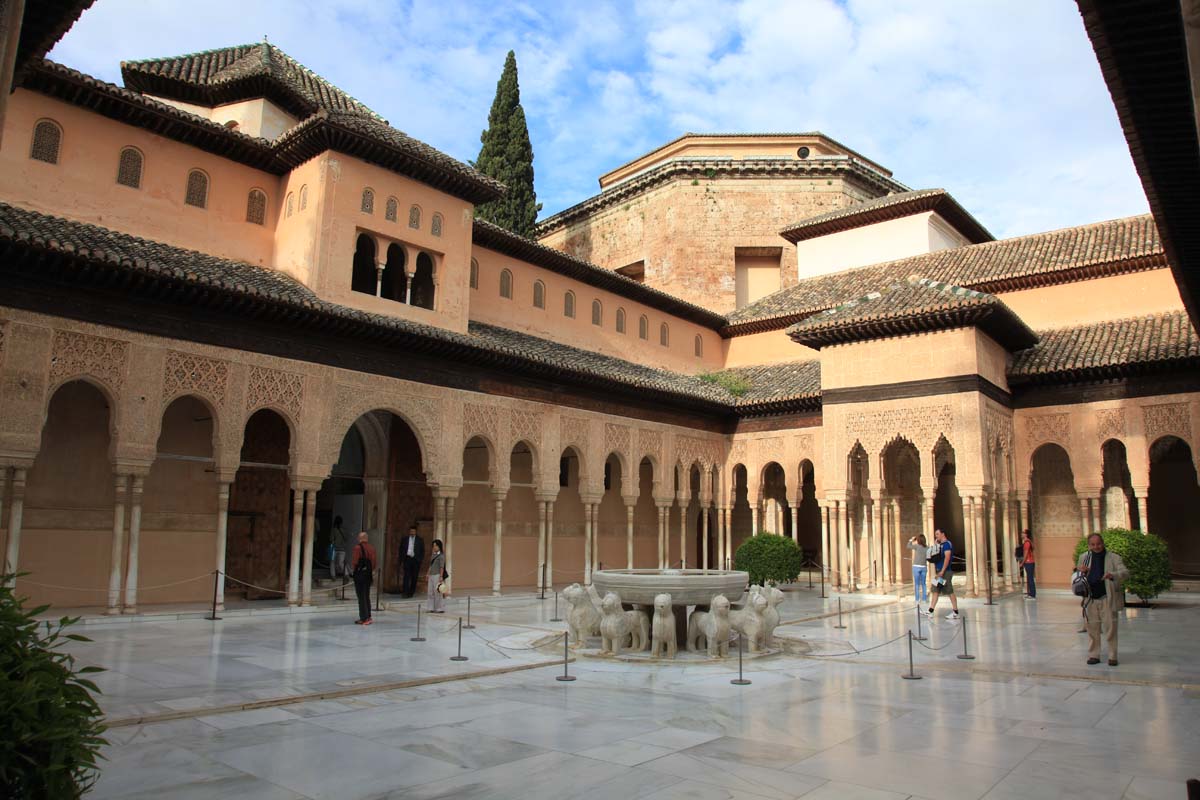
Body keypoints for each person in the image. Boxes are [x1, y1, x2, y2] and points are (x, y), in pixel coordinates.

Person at [1076, 533, 1129, 666]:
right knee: (1092, 628)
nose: (1096, 547)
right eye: (1093, 544)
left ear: (1103, 543)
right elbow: (1077, 574)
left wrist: (1113, 574)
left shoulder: (1114, 557)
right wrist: (1081, 571)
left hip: (1107, 598)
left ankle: (1112, 656)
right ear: (1089, 545)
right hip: (1090, 599)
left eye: (1098, 544)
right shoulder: (1084, 557)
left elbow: (1125, 573)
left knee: (1110, 628)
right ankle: (1094, 655)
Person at [921, 529, 959, 620]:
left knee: (949, 591)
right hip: (940, 573)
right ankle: (930, 611)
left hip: (945, 572)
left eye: (937, 534)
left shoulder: (947, 545)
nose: (936, 536)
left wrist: (942, 571)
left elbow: (947, 558)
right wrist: (935, 545)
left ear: (943, 534)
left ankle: (955, 612)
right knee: (935, 589)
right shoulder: (940, 545)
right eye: (935, 534)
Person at [350, 531, 376, 625]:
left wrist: (355, 571)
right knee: (366, 595)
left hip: (360, 575)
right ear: (367, 539)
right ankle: (368, 616)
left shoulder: (357, 548)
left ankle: (364, 618)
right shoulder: (372, 548)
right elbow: (373, 563)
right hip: (368, 575)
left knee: (361, 596)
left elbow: (355, 562)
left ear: (360, 538)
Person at [400, 525, 425, 598]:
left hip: (415, 560)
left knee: (414, 577)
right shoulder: (405, 539)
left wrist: (420, 559)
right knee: (406, 576)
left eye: (413, 531)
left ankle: (411, 592)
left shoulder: (420, 540)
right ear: (409, 531)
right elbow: (401, 549)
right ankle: (405, 592)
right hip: (407, 559)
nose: (412, 532)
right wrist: (401, 559)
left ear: (416, 532)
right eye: (411, 531)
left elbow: (422, 551)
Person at [907, 534, 929, 605]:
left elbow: (908, 546)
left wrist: (911, 540)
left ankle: (917, 599)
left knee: (916, 584)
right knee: (923, 584)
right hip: (924, 567)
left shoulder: (917, 546)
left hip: (916, 566)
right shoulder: (927, 548)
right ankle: (924, 599)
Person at [427, 539, 446, 613]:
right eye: (433, 546)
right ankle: (430, 607)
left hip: (437, 575)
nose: (434, 547)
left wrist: (441, 576)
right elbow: (430, 566)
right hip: (431, 575)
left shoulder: (441, 556)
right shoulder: (433, 555)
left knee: (437, 592)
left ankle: (439, 608)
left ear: (439, 546)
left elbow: (442, 567)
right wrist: (427, 573)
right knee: (430, 592)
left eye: (436, 546)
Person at [330, 516, 347, 580]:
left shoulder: (333, 530)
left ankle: (333, 576)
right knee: (341, 563)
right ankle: (346, 574)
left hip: (334, 548)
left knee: (332, 562)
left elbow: (331, 539)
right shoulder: (344, 530)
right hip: (342, 549)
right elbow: (346, 538)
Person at [1021, 529, 1036, 600]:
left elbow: (1026, 554)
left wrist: (1022, 563)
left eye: (1023, 533)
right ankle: (1030, 594)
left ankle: (1032, 595)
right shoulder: (1029, 541)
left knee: (1030, 579)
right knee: (1029, 578)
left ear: (1026, 534)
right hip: (1030, 562)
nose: (1022, 534)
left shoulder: (1027, 543)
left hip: (1029, 562)